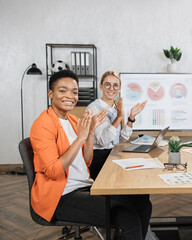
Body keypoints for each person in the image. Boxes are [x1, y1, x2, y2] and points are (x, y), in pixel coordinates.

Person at [30, 70, 152, 240]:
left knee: (142, 204)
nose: (70, 96)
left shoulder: (72, 120)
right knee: (128, 218)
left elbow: (86, 160)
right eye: (62, 90)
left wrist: (90, 133)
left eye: (74, 92)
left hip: (85, 185)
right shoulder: (42, 125)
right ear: (51, 93)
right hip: (61, 196)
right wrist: (81, 137)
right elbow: (53, 171)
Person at [86, 71, 147, 180]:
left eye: (115, 85)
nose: (111, 88)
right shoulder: (94, 108)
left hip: (111, 153)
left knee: (139, 176)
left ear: (119, 89)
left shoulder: (114, 108)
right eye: (107, 84)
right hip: (98, 158)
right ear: (101, 86)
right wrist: (119, 117)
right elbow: (103, 141)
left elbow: (122, 138)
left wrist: (131, 117)